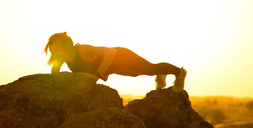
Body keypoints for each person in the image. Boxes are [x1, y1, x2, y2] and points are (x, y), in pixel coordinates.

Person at [44, 32, 187, 92]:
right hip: (114, 68)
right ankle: (160, 74)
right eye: (52, 50)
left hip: (121, 56)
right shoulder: (62, 60)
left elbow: (111, 52)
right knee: (135, 74)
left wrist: (99, 73)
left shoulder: (82, 50)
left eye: (56, 49)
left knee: (149, 69)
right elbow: (54, 76)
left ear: (67, 46)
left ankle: (179, 73)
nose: (53, 54)